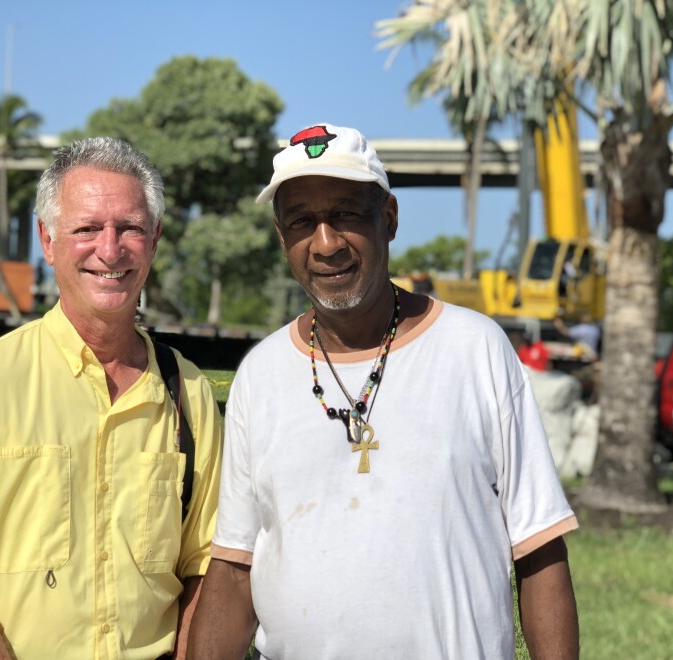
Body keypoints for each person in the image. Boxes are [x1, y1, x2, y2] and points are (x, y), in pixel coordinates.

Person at [188, 124, 579, 659]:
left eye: (346, 213)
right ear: (283, 238)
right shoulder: (261, 375)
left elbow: (538, 548)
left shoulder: (475, 350)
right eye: (302, 221)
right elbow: (234, 570)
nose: (325, 244)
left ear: (389, 218)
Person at [0, 137, 222, 659]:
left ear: (156, 238)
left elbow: (207, 564)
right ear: (47, 240)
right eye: (87, 228)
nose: (110, 250)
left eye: (131, 228)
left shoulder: (188, 395)